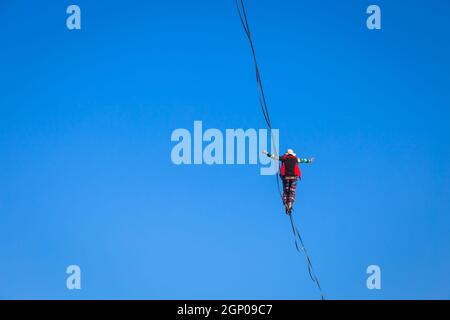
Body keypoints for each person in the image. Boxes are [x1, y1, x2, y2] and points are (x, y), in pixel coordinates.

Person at [262, 149, 314, 215]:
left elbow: (274, 156)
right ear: (292, 154)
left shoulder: (283, 158)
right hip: (294, 177)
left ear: (286, 154)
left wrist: (266, 153)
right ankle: (290, 204)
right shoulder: (296, 159)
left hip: (286, 177)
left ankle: (286, 203)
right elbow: (303, 160)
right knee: (292, 191)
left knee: (286, 191)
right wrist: (309, 161)